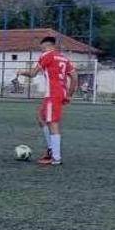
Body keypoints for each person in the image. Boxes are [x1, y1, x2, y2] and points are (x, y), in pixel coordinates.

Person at [18, 36, 79, 166]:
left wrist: (21, 72)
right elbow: (74, 77)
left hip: (53, 93)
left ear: (47, 46)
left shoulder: (47, 55)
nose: (41, 50)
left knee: (52, 123)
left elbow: (33, 74)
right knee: (41, 117)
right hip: (59, 92)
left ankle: (56, 158)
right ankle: (51, 149)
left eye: (42, 48)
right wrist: (69, 95)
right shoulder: (64, 58)